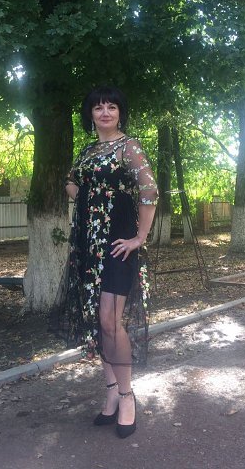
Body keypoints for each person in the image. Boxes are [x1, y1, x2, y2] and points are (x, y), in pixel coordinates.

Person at [52, 85, 158, 439]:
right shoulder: (87, 151)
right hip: (88, 246)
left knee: (111, 321)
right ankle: (111, 391)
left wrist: (140, 237)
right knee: (98, 321)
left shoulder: (129, 147)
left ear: (120, 113)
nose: (105, 112)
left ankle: (127, 397)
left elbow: (149, 191)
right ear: (91, 115)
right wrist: (87, 196)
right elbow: (70, 181)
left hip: (117, 246)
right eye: (98, 107)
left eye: (112, 106)